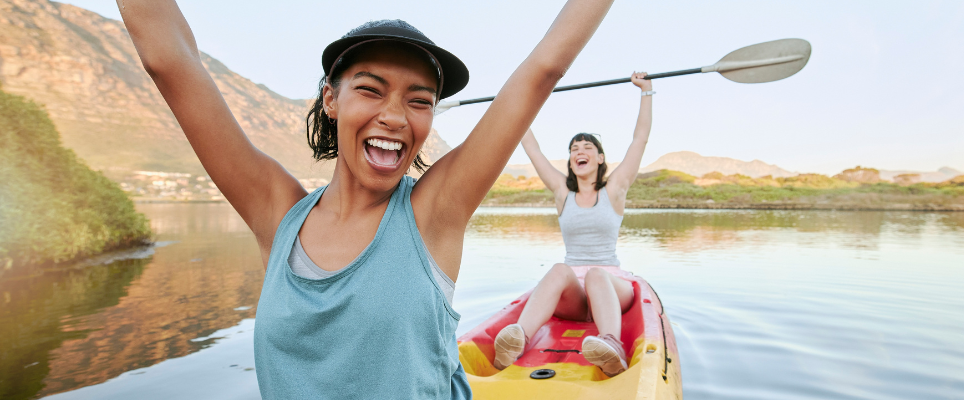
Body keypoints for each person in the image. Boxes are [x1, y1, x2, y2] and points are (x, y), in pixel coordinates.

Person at [116, 0, 614, 398]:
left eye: (419, 101)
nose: (396, 117)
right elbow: (169, 62)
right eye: (371, 90)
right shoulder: (275, 212)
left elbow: (544, 69)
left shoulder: (433, 213)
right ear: (331, 99)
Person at [492, 72, 654, 377]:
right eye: (574, 149)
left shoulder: (615, 189)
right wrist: (520, 99)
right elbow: (532, 148)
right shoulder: (562, 192)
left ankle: (611, 345)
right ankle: (518, 339)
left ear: (601, 158)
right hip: (575, 296)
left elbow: (639, 140)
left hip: (611, 287)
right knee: (557, 270)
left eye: (587, 147)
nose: (579, 151)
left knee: (595, 274)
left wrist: (646, 92)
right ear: (569, 161)